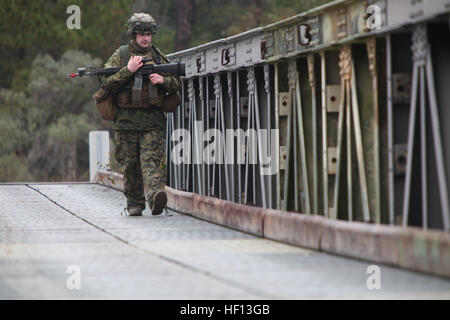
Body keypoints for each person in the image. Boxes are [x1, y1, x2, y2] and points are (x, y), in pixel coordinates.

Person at [102, 13, 181, 216]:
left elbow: (177, 82)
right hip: (125, 122)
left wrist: (163, 81)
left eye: (148, 34)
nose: (145, 38)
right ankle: (135, 203)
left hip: (152, 122)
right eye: (141, 34)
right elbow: (106, 84)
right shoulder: (120, 55)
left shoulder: (157, 56)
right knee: (130, 165)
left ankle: (156, 196)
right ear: (133, 34)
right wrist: (128, 70)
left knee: (151, 161)